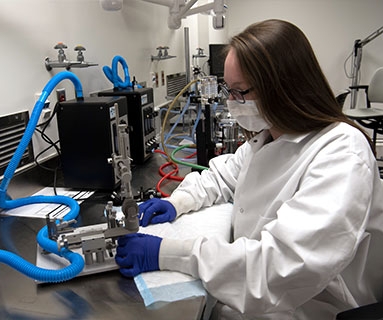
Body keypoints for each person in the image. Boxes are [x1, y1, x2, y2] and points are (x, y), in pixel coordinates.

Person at [115, 19, 383, 319]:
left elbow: (280, 268)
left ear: (283, 87)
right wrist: (177, 202)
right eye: (228, 91)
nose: (232, 103)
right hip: (259, 293)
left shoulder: (341, 153)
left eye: (240, 92)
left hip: (314, 306)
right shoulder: (270, 135)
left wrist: (168, 253)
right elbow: (223, 176)